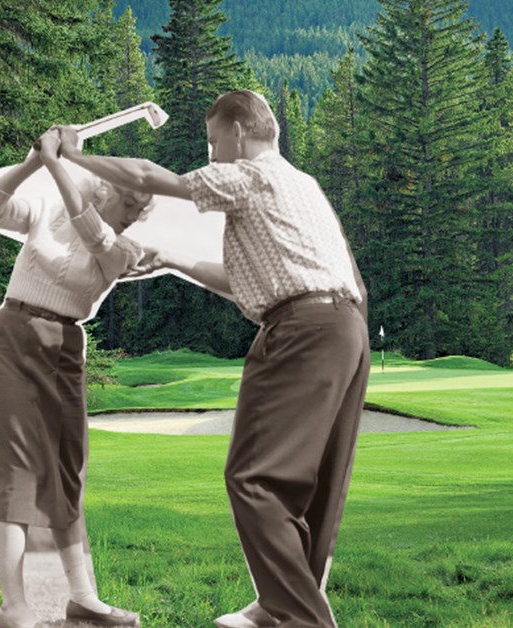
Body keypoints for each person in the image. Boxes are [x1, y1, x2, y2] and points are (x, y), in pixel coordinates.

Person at [57, 89, 370, 628]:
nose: (210, 155)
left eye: (212, 142)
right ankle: (279, 606)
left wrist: (72, 155)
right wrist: (174, 258)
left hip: (300, 333)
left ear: (239, 132)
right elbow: (255, 282)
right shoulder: (301, 185)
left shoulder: (250, 175)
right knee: (312, 487)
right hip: (344, 327)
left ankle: (302, 619)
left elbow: (149, 176)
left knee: (254, 477)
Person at [0, 130, 148, 628]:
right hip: (11, 338)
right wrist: (33, 160)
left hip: (66, 349)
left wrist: (57, 163)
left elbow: (94, 235)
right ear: (106, 190)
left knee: (69, 470)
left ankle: (83, 598)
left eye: (139, 212)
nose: (133, 216)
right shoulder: (46, 212)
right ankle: (15, 606)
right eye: (129, 205)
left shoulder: (123, 249)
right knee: (18, 469)